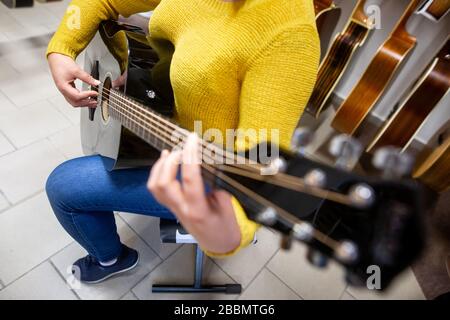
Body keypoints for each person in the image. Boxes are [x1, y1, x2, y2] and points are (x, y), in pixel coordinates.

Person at [46, 0, 320, 283]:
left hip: (203, 168)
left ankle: (111, 260)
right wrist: (62, 48)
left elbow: (259, 173)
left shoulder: (289, 36)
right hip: (154, 106)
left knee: (62, 187)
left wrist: (225, 228)